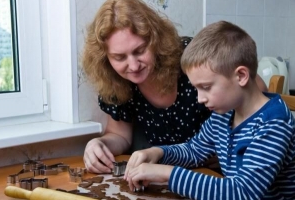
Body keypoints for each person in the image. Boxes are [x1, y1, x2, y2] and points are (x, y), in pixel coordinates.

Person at [82, 0, 268, 174]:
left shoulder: (190, 59)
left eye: (140, 51)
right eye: (119, 57)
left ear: (154, 40)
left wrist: (234, 150)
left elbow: (255, 89)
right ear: (105, 58)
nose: (133, 65)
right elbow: (119, 134)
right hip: (172, 174)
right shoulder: (115, 80)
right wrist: (98, 144)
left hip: (217, 177)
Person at [124, 21, 295, 200]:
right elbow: (194, 151)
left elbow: (243, 192)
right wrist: (158, 152)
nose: (200, 98)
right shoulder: (224, 114)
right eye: (197, 89)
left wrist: (168, 174)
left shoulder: (273, 122)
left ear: (241, 76)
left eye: (206, 87)